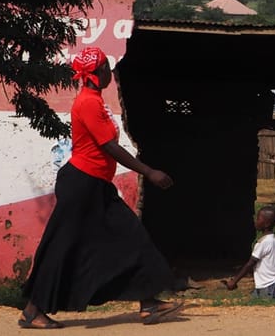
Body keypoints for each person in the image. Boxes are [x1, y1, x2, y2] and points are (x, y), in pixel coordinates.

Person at [18, 47, 183, 329]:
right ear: (99, 72)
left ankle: (148, 302)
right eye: (108, 67)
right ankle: (33, 311)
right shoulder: (88, 103)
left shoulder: (94, 100)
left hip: (95, 185)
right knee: (62, 247)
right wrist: (148, 171)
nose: (111, 72)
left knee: (131, 237)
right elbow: (109, 147)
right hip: (81, 185)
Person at [223, 205, 275, 298]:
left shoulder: (263, 243)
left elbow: (250, 264)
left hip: (266, 285)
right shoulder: (273, 239)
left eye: (258, 219)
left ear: (266, 224)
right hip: (269, 284)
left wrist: (234, 281)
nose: (255, 221)